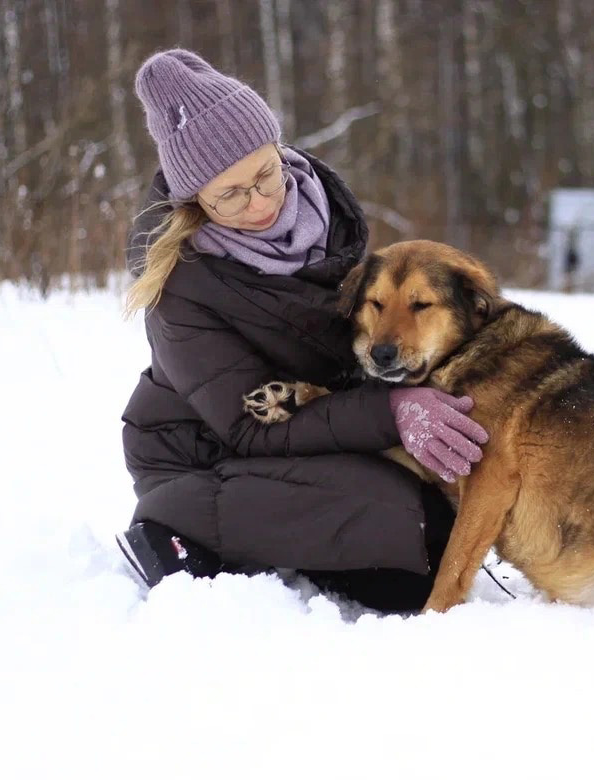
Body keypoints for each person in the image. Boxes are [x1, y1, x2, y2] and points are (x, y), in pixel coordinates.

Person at [116, 49, 488, 613]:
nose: (260, 202)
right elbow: (248, 424)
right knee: (413, 537)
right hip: (206, 450)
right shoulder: (182, 284)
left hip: (305, 424)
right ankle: (175, 528)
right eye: (229, 195)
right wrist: (391, 413)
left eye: (265, 174)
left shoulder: (325, 211)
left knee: (431, 520)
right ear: (195, 200)